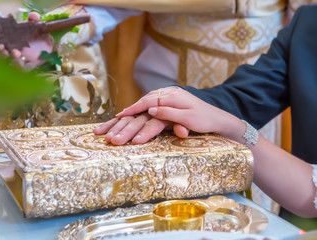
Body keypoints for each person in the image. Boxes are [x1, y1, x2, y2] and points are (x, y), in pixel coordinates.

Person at [93, 4, 317, 217]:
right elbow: (242, 98)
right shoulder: (308, 22)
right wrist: (169, 106)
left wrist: (233, 128)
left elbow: (310, 197)